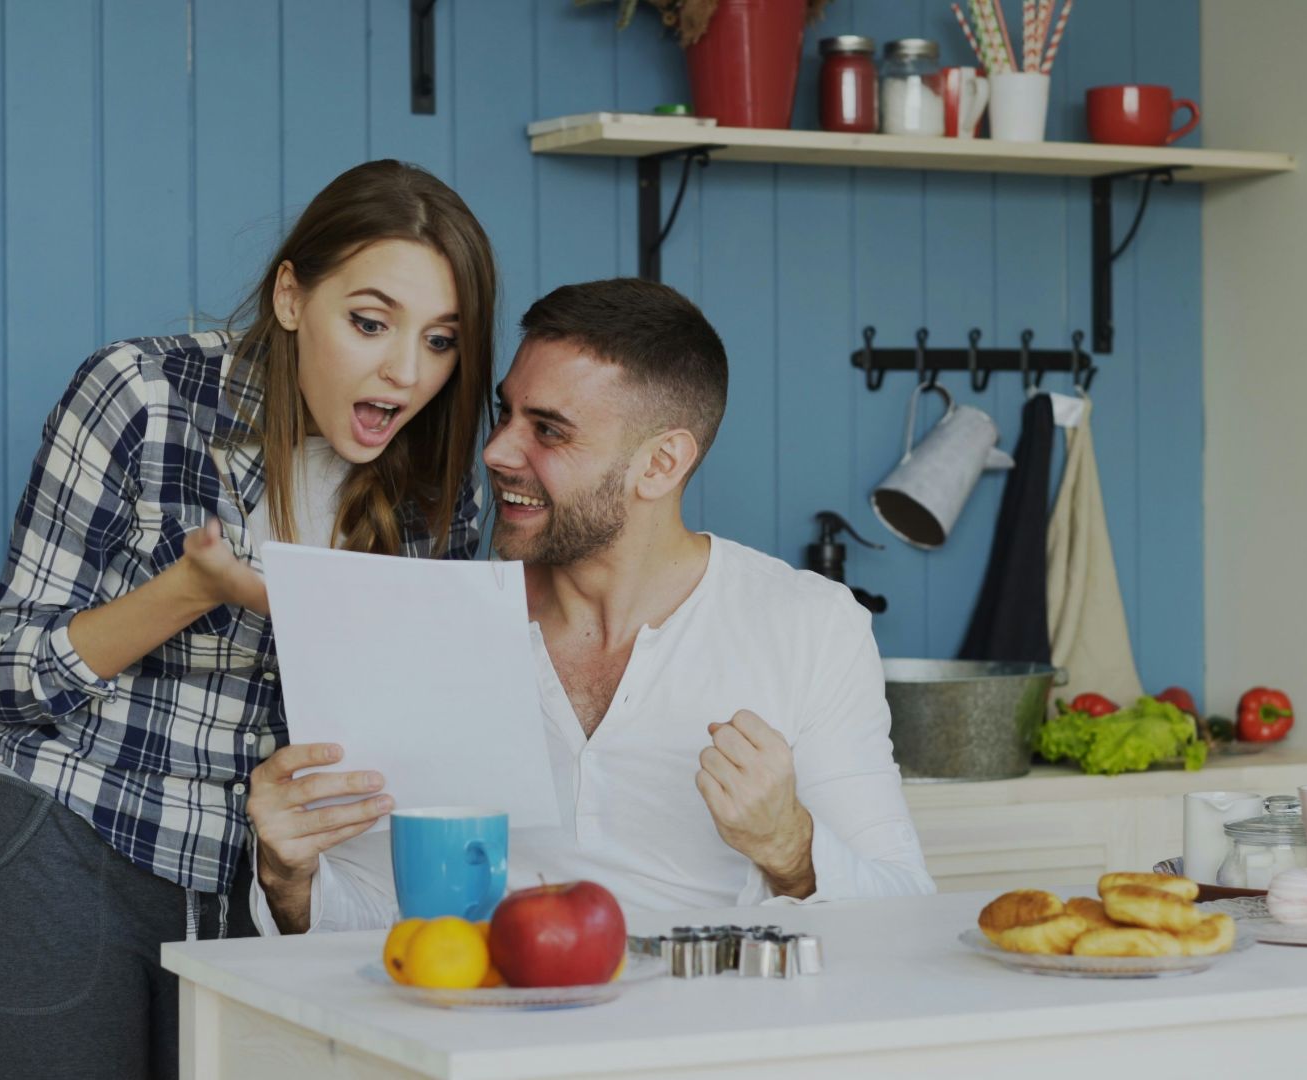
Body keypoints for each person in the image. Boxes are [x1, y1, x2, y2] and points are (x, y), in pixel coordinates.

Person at [0, 160, 495, 1079]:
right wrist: (194, 589)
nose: (406, 373)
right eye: (370, 323)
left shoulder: (440, 487)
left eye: (441, 341)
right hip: (77, 835)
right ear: (291, 295)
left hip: (274, 887)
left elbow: (406, 721)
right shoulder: (140, 395)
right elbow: (15, 684)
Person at [249, 278, 933, 935]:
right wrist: (288, 878)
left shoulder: (810, 626)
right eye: (506, 412)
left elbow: (904, 910)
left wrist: (790, 846)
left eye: (548, 431)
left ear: (661, 464)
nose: (496, 450)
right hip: (489, 1041)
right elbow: (380, 918)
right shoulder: (432, 624)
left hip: (710, 1043)